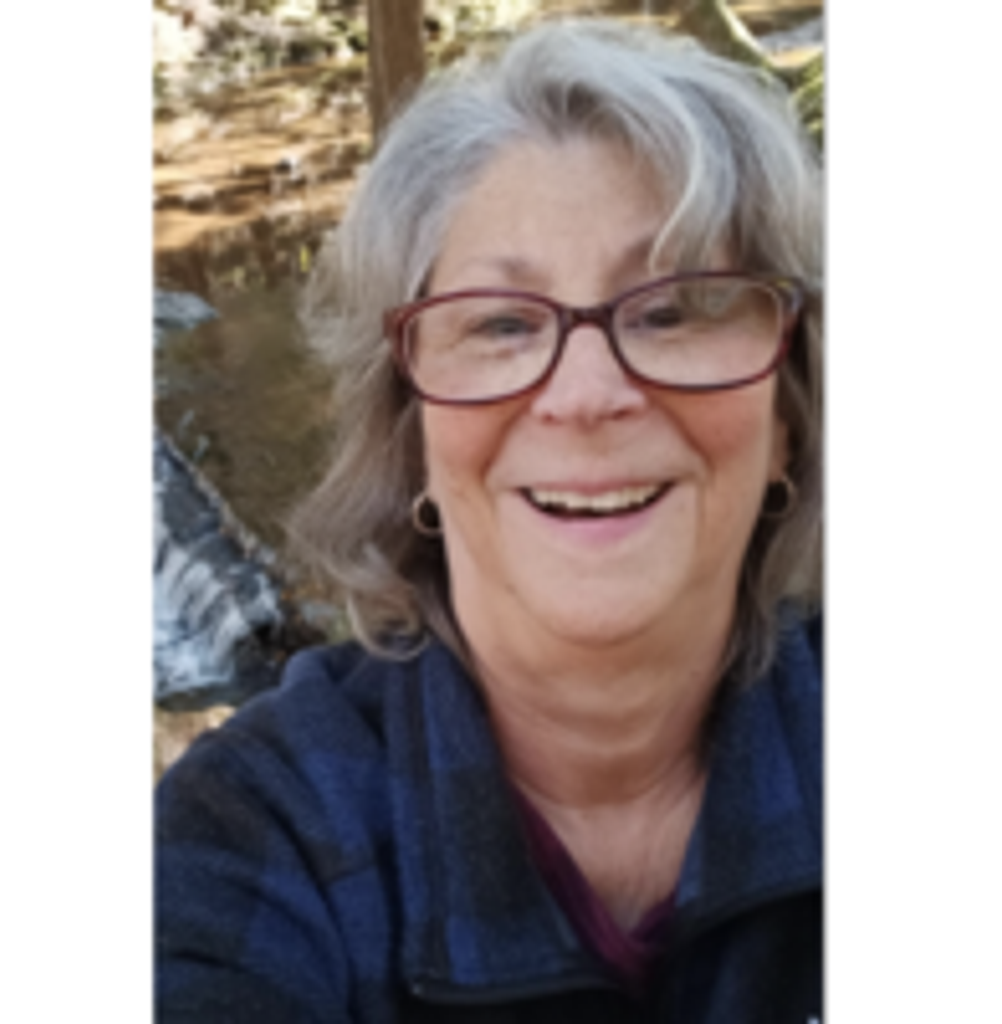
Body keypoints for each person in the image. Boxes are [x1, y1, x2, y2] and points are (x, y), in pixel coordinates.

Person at [155, 17, 823, 1023]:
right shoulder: (249, 835)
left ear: (787, 417)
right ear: (409, 430)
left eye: (672, 310)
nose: (586, 395)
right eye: (502, 324)